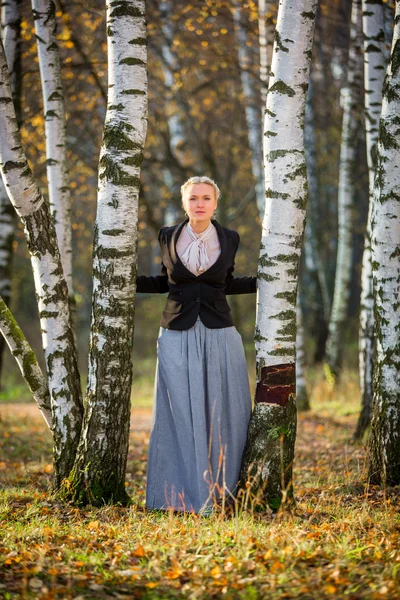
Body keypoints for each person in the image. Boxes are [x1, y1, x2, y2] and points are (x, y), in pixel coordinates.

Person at [136, 176, 257, 515]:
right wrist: (125, 281)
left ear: (215, 203)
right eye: (193, 199)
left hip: (220, 331)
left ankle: (225, 494)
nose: (200, 203)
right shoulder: (168, 236)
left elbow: (226, 284)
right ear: (184, 203)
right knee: (178, 413)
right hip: (176, 331)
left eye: (206, 198)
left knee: (225, 411)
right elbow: (166, 281)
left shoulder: (230, 238)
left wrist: (267, 281)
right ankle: (178, 496)